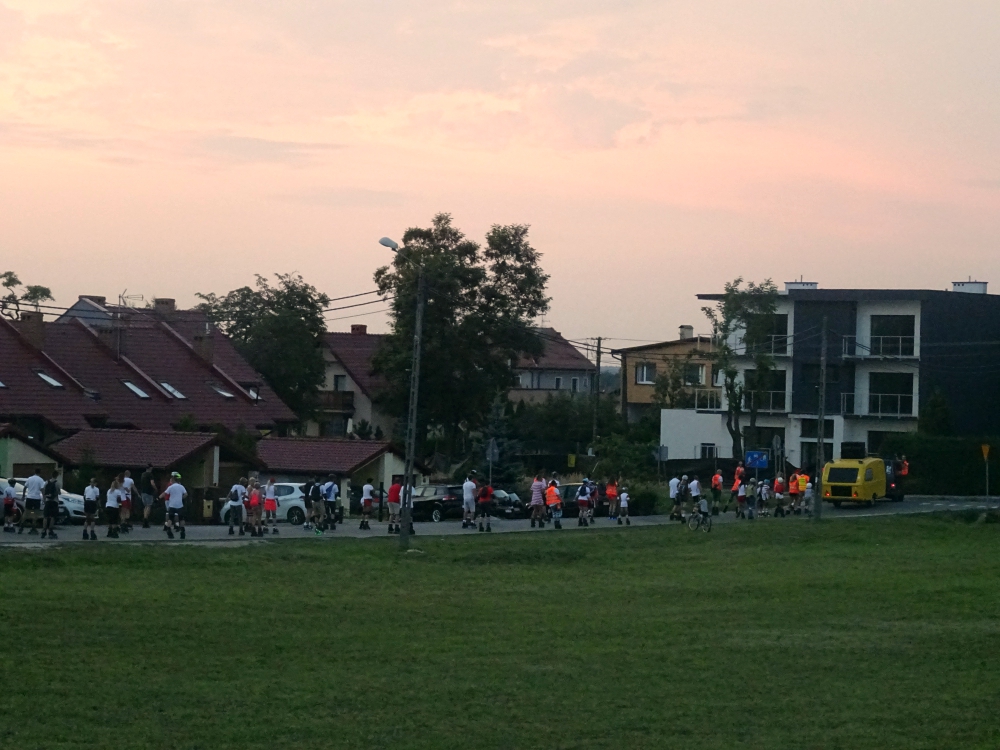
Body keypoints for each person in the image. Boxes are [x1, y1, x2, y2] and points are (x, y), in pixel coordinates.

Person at [160, 472, 188, 540]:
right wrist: (181, 498)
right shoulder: (181, 486)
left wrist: (158, 498)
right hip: (180, 505)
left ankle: (169, 531)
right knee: (181, 519)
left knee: (170, 519)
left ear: (173, 480)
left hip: (172, 505)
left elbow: (164, 493)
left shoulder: (171, 487)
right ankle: (182, 531)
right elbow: (186, 494)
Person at [18, 467, 45, 535]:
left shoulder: (29, 478)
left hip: (29, 497)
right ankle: (33, 527)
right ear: (40, 472)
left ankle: (21, 526)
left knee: (26, 512)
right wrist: (44, 499)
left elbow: (25, 487)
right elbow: (42, 490)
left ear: (34, 472)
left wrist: (23, 496)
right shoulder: (40, 480)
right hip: (36, 498)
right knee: (35, 513)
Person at [41, 470, 60, 540]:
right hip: (54, 501)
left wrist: (44, 499)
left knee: (46, 516)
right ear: (57, 475)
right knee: (52, 516)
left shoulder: (47, 482)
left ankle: (43, 530)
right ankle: (50, 530)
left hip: (47, 501)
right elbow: (58, 492)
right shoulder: (57, 483)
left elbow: (44, 491)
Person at [139, 463, 157, 528]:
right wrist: (155, 488)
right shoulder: (150, 474)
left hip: (143, 492)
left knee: (145, 506)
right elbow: (152, 483)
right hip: (149, 492)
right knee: (149, 506)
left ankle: (144, 518)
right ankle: (145, 520)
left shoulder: (143, 474)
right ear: (150, 468)